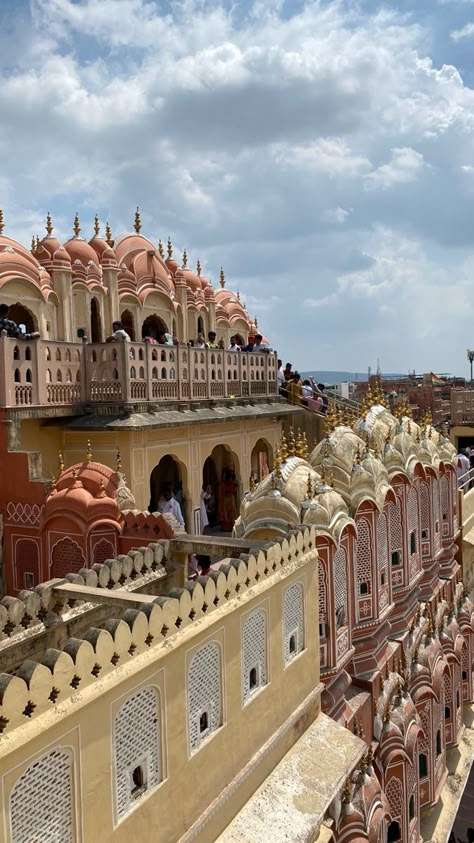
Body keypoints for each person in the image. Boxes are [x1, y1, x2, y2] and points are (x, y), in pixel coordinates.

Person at [218, 467, 237, 531]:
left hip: (226, 499)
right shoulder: (232, 483)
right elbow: (234, 490)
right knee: (231, 513)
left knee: (226, 513)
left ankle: (226, 527)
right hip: (231, 499)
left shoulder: (223, 484)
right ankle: (231, 526)